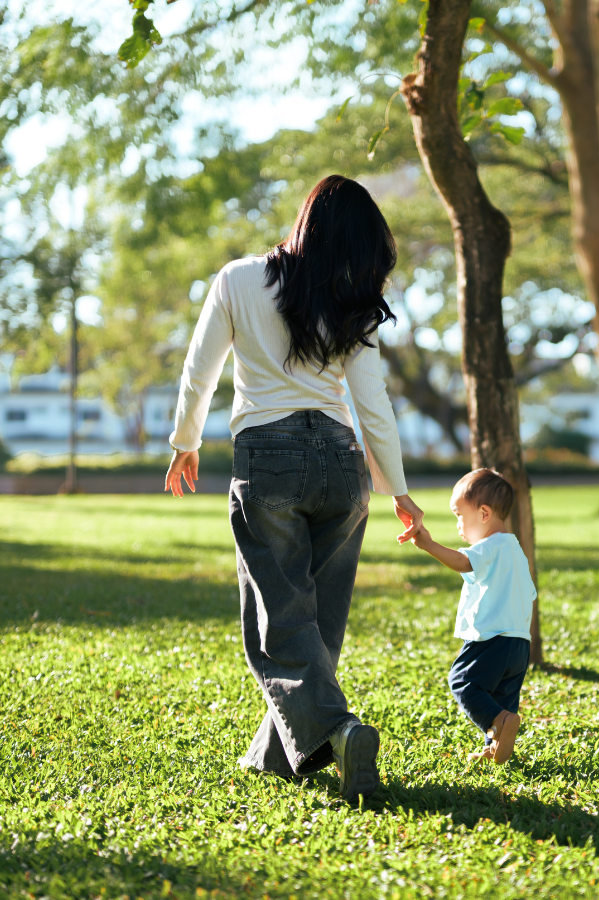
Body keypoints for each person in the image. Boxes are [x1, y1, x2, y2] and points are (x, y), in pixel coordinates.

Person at [164, 175, 424, 801]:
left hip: (269, 458)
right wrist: (397, 490)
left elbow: (200, 369)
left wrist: (185, 441)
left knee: (279, 621)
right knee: (317, 623)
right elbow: (373, 403)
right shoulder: (350, 299)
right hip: (342, 465)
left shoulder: (238, 278)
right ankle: (275, 758)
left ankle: (339, 731)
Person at [404, 468, 535, 765]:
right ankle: (494, 746)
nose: (458, 525)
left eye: (459, 515)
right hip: (519, 644)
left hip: (491, 639)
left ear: (484, 513)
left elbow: (463, 561)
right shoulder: (515, 550)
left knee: (462, 681)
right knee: (500, 698)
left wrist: (429, 545)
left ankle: (498, 723)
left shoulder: (490, 546)